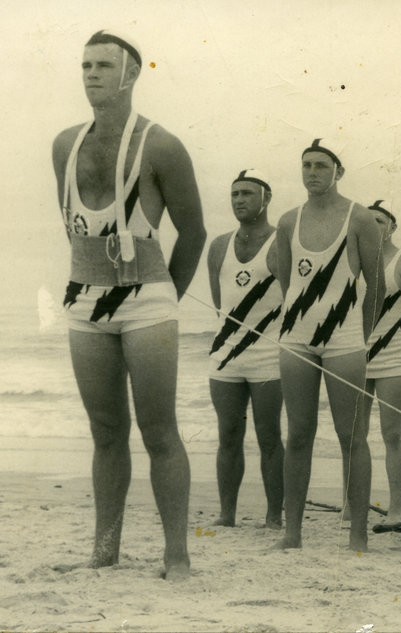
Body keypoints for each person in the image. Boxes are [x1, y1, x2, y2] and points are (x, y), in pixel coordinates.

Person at [51, 30, 206, 581]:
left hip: (148, 301)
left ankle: (176, 556)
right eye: (86, 64)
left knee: (158, 429)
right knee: (105, 431)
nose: (91, 74)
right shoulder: (64, 144)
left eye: (103, 66)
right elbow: (75, 229)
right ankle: (105, 550)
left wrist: (165, 296)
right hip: (85, 298)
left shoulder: (160, 145)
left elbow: (194, 232)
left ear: (131, 74)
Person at [274, 139, 384, 552]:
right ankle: (292, 534)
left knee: (351, 436)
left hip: (345, 339)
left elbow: (377, 284)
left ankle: (358, 536)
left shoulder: (359, 219)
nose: (313, 172)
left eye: (321, 165)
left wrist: (361, 333)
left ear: (338, 171)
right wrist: (301, 325)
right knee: (298, 434)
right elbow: (289, 285)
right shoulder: (288, 221)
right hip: (298, 338)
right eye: (306, 165)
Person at [206, 169, 284, 529]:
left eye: (248, 194)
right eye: (235, 194)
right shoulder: (219, 245)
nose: (239, 200)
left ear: (266, 199)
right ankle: (227, 514)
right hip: (225, 356)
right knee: (228, 436)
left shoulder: (281, 242)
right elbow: (221, 302)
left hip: (268, 355)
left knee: (269, 437)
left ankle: (273, 516)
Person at [360, 200, 401, 519]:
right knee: (353, 435)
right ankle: (352, 503)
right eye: (368, 221)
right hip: (354, 358)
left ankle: (397, 507)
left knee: (394, 435)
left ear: (393, 227)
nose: (374, 227)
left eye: (381, 221)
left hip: (394, 360)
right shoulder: (351, 261)